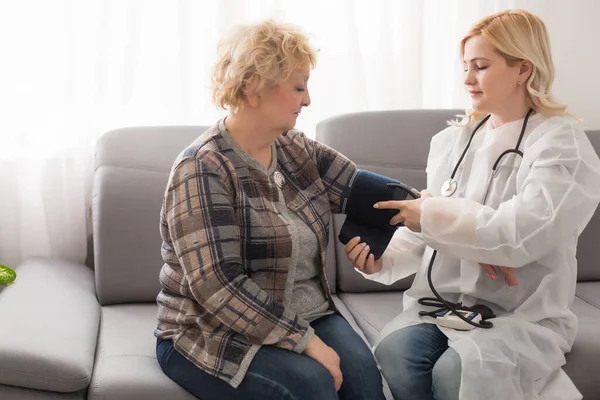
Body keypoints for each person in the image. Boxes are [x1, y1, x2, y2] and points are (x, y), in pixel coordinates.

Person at [345, 9, 600, 400]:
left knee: (460, 371)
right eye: (465, 66)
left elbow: (520, 236)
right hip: (441, 304)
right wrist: (385, 260)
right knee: (394, 354)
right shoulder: (452, 142)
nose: (467, 79)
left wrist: (431, 215)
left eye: (480, 66)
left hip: (521, 314)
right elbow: (429, 231)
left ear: (523, 69)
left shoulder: (563, 147)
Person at [154, 19, 385, 400]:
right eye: (298, 87)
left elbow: (362, 190)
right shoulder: (202, 167)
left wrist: (436, 214)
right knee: (311, 384)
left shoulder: (296, 148)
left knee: (362, 375)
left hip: (304, 313)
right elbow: (217, 285)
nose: (307, 100)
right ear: (253, 87)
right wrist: (304, 341)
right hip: (210, 329)